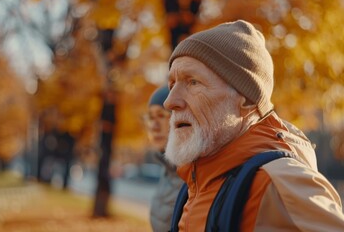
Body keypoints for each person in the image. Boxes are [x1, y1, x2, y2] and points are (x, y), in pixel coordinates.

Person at [163, 20, 344, 231]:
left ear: (247, 100)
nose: (170, 101)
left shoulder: (278, 183)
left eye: (193, 82)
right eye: (172, 84)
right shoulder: (196, 183)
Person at [144, 86, 184, 232]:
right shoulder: (166, 170)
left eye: (161, 115)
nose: (154, 126)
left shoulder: (191, 175)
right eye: (150, 117)